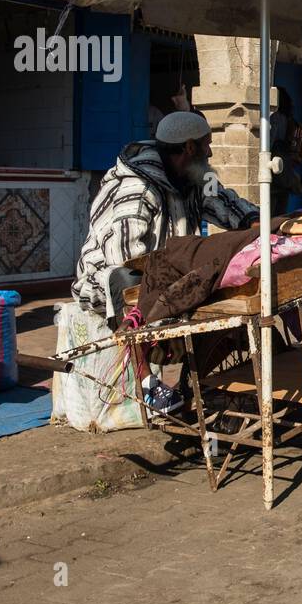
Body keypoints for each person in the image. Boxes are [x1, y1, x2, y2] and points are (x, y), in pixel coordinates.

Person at [71, 112, 260, 411]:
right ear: (188, 147)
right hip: (107, 279)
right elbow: (124, 259)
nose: (210, 152)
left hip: (165, 271)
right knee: (128, 284)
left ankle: (190, 384)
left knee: (216, 279)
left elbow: (225, 202)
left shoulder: (194, 178)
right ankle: (146, 382)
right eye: (206, 145)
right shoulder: (137, 189)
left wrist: (255, 222)